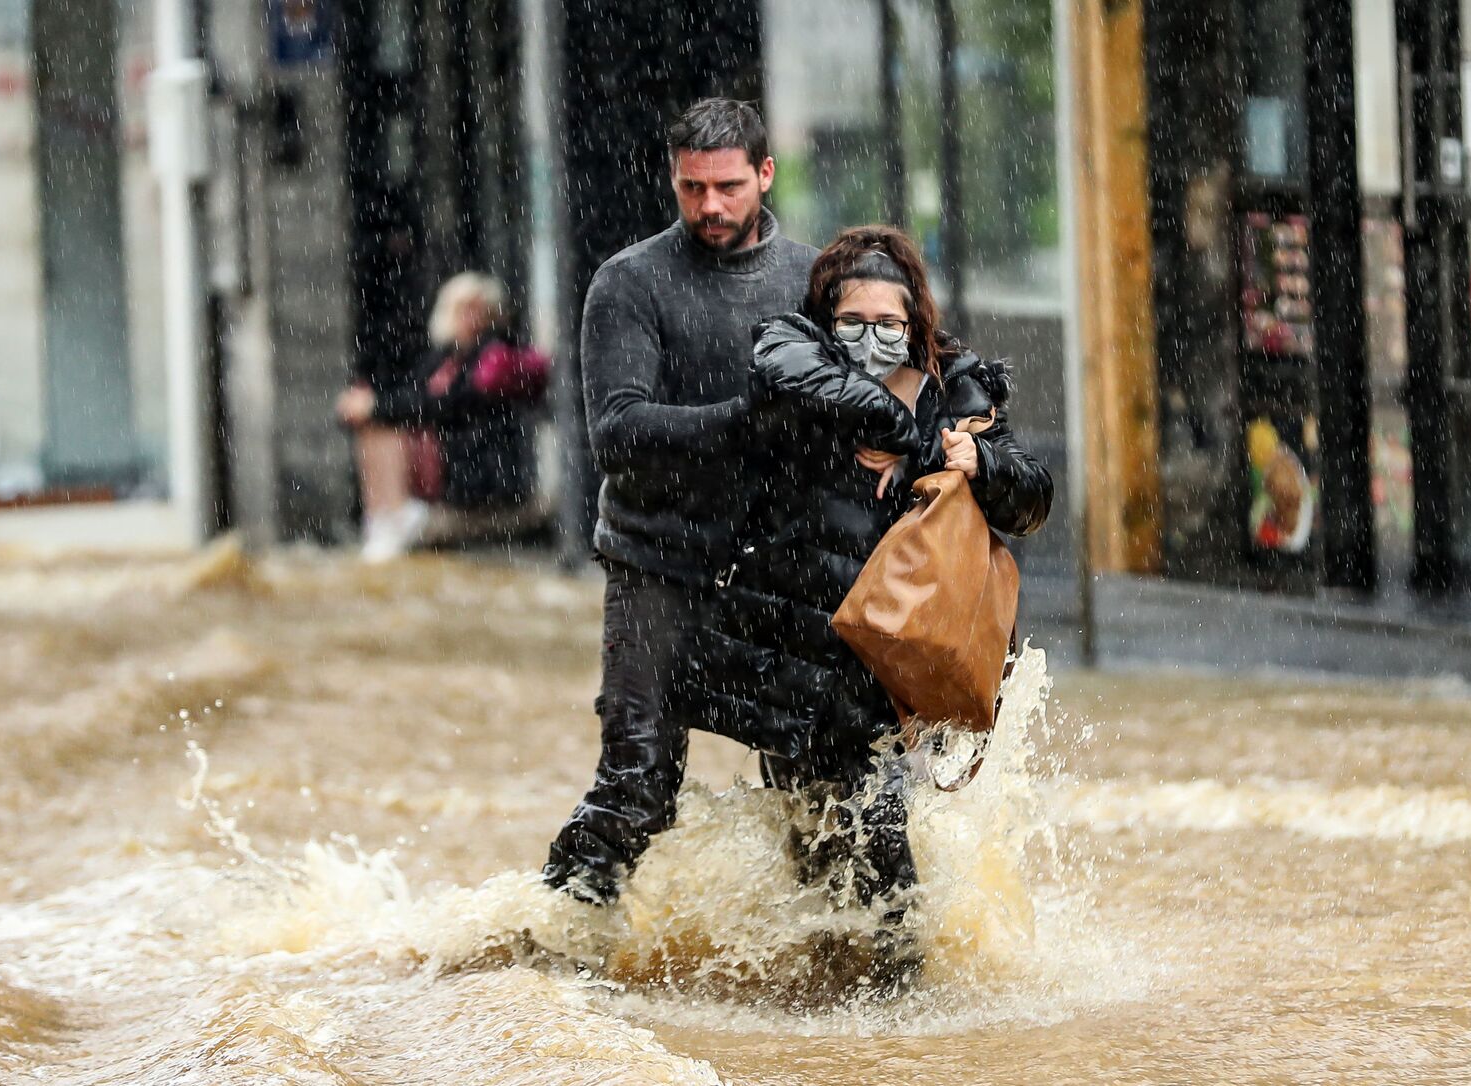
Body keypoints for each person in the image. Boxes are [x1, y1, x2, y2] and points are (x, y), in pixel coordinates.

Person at [671, 225, 1054, 983]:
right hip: (794, 659)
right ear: (826, 318)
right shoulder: (793, 364)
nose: (872, 338)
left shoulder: (959, 386)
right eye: (854, 322)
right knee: (812, 861)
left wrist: (971, 458)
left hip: (890, 674)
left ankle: (895, 1031)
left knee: (885, 864)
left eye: (889, 324)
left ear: (916, 324)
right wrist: (896, 426)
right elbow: (780, 386)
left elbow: (1031, 498)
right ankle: (838, 1026)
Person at [542, 98, 819, 904]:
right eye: (692, 188)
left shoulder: (814, 278)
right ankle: (548, 972)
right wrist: (748, 421)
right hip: (656, 565)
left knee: (827, 788)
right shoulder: (629, 283)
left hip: (784, 568)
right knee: (635, 787)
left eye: (728, 186)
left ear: (765, 175)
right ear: (673, 179)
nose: (710, 206)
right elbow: (618, 432)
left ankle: (856, 983)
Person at [337, 272, 549, 561]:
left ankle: (395, 517)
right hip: (450, 466)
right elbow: (413, 395)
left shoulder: (493, 356)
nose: (469, 318)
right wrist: (368, 404)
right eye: (462, 309)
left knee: (387, 421)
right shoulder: (447, 356)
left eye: (477, 310)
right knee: (378, 425)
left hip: (477, 476)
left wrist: (376, 406)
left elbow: (446, 405)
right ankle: (384, 519)